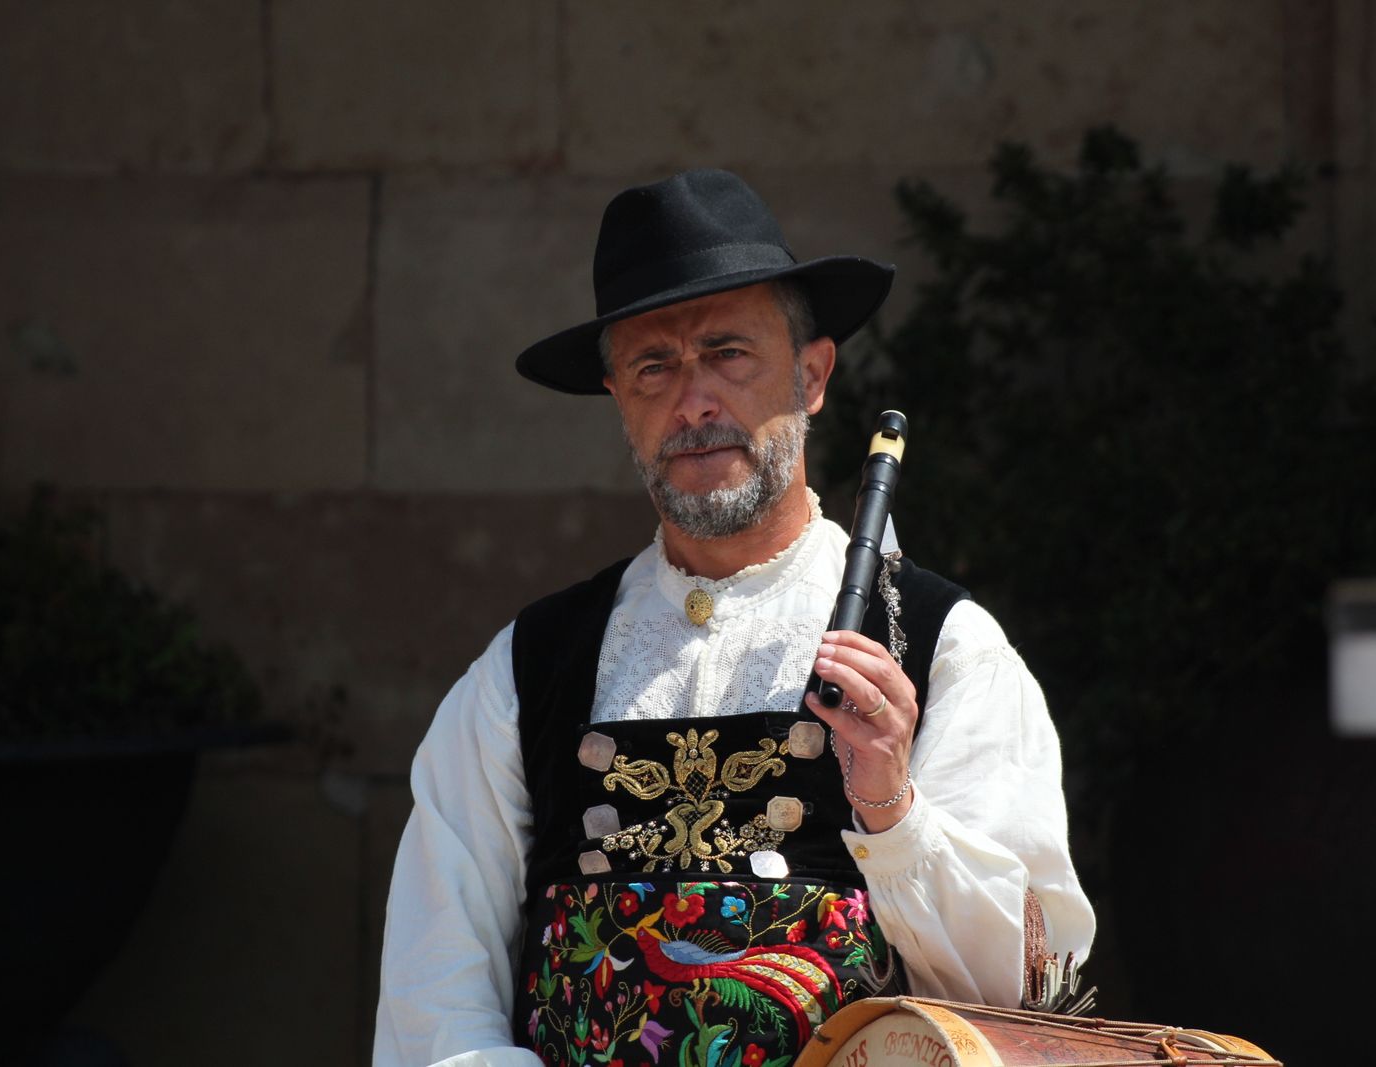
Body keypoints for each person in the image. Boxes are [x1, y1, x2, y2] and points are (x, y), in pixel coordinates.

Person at [374, 169, 1094, 1067]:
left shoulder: (948, 648)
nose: (694, 401)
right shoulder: (522, 671)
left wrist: (892, 808)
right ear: (618, 402)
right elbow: (433, 1003)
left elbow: (1026, 1002)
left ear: (814, 373)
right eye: (654, 365)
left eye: (728, 353)